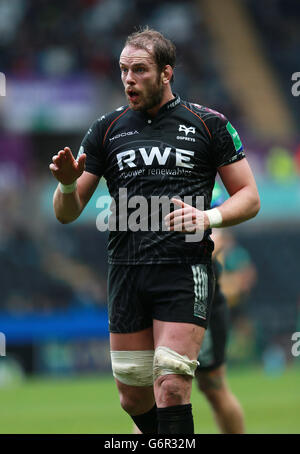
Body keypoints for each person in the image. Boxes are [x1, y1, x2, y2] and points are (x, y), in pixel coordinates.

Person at [49, 27, 260, 434]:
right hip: (126, 272)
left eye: (140, 70)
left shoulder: (208, 124)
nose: (129, 79)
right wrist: (67, 184)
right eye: (124, 70)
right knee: (134, 397)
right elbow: (66, 214)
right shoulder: (106, 129)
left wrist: (208, 219)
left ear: (166, 73)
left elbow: (249, 196)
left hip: (184, 268)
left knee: (173, 385)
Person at [132, 183, 246, 434]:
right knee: (155, 391)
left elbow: (220, 237)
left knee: (213, 386)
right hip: (155, 289)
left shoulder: (207, 184)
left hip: (198, 288)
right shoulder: (147, 181)